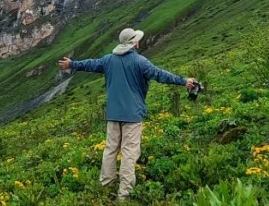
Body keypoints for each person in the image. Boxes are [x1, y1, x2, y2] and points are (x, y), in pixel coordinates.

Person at [57, 27, 195, 201]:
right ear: (134, 43)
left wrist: (72, 64)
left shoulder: (108, 60)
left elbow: (90, 64)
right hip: (132, 114)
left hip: (113, 113)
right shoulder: (140, 62)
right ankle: (125, 194)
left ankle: (106, 185)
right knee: (129, 153)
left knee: (110, 150)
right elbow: (160, 75)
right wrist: (183, 81)